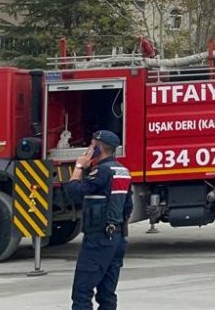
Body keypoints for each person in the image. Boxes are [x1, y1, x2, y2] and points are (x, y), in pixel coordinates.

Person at [66, 130, 133, 310]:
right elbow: (128, 207)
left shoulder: (101, 172)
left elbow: (73, 190)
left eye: (91, 145)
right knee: (107, 294)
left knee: (82, 292)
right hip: (117, 238)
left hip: (98, 239)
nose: (88, 148)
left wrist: (79, 167)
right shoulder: (123, 171)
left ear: (97, 149)